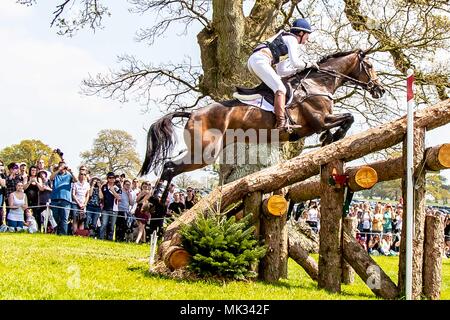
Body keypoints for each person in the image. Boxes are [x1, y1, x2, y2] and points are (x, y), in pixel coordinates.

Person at [247, 18, 317, 132]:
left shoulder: (285, 42)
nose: (307, 40)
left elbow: (281, 71)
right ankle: (281, 123)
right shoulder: (292, 39)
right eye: (307, 36)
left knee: (276, 86)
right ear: (301, 33)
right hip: (260, 60)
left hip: (256, 61)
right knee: (280, 89)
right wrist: (309, 64)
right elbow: (296, 62)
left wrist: (297, 71)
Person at [50, 160, 78, 235]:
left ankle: (63, 234)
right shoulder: (56, 175)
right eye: (61, 166)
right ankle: (57, 231)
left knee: (64, 218)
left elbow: (76, 180)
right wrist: (59, 169)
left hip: (66, 200)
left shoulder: (69, 175)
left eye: (63, 166)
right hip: (55, 199)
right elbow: (51, 178)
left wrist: (71, 172)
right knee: (55, 216)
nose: (62, 168)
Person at [100, 172, 121, 240]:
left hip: (114, 209)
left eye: (113, 178)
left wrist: (113, 191)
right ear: (107, 178)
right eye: (110, 178)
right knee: (104, 224)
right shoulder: (104, 187)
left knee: (112, 226)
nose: (111, 179)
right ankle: (101, 238)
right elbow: (101, 197)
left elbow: (119, 198)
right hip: (105, 209)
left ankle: (110, 239)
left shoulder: (117, 187)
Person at [24, 166, 40, 230]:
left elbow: (41, 189)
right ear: (30, 171)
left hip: (36, 200)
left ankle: (37, 229)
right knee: (27, 214)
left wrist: (36, 182)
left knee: (36, 214)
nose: (33, 171)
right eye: (32, 170)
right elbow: (24, 187)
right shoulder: (26, 178)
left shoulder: (39, 179)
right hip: (27, 199)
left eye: (35, 170)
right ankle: (26, 228)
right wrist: (29, 181)